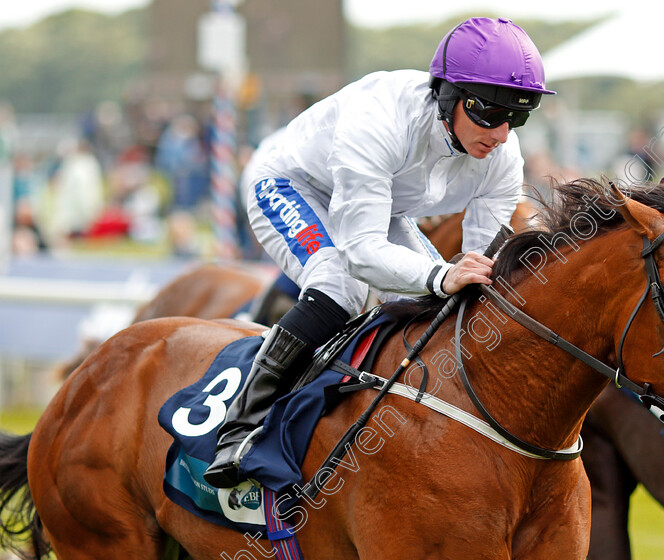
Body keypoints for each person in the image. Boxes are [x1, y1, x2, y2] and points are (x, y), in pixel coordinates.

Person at [204, 16, 555, 487]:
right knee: (339, 283)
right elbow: (360, 252)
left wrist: (455, 281)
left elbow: (479, 271)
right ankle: (242, 426)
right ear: (448, 95)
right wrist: (439, 274)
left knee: (444, 303)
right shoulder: (381, 117)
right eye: (488, 113)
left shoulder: (503, 159)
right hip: (291, 186)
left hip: (378, 205)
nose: (500, 133)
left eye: (518, 115)